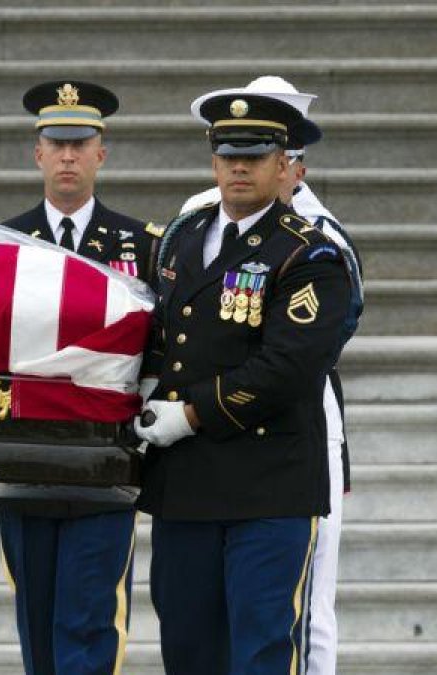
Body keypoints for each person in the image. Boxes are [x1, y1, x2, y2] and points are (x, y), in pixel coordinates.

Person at [133, 89, 351, 674]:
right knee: (188, 650)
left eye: (254, 156)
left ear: (285, 165)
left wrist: (193, 412)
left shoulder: (310, 253)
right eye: (228, 154)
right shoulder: (183, 236)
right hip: (185, 485)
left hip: (267, 487)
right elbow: (161, 331)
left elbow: (290, 366)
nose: (238, 167)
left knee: (259, 652)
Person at [0, 79, 161, 675]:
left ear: (101, 154)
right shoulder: (1, 244)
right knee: (37, 620)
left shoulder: (142, 244)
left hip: (102, 462)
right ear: (37, 153)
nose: (67, 156)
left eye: (80, 144)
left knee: (89, 623)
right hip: (24, 457)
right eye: (56, 144)